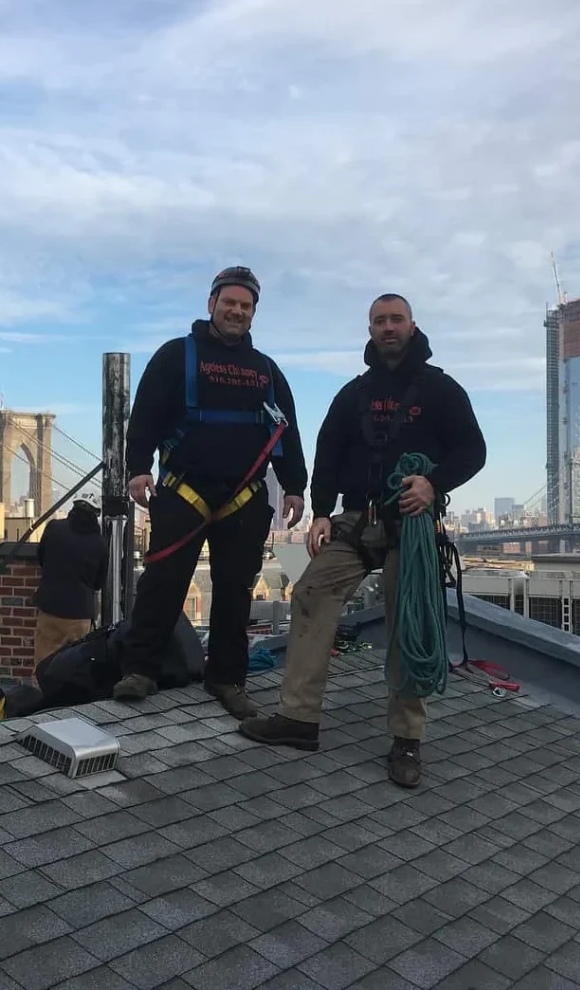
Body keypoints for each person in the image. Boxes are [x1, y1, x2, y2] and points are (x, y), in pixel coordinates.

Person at [240, 293, 486, 787]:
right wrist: (323, 513)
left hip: (410, 523)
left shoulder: (441, 391)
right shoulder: (353, 394)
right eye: (380, 321)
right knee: (311, 592)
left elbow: (473, 449)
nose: (388, 327)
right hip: (356, 518)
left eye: (396, 319)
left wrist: (433, 483)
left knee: (407, 614)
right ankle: (298, 718)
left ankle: (406, 739)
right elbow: (328, 452)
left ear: (412, 326)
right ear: (370, 329)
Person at [113, 266, 308, 719]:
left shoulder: (266, 371)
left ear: (254, 313)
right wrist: (138, 468)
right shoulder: (175, 357)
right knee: (162, 584)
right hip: (184, 491)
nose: (237, 311)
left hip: (243, 498)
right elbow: (144, 417)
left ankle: (227, 678)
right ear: (211, 304)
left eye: (246, 306)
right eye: (229, 302)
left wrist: (295, 486)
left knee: (236, 591)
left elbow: (285, 430)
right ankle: (140, 670)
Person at [32, 492, 108, 669]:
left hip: (50, 607)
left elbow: (41, 558)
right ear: (96, 514)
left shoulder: (54, 528)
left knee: (44, 665)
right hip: (80, 613)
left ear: (74, 507)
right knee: (75, 667)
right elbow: (98, 583)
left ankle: (44, 695)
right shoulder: (100, 543)